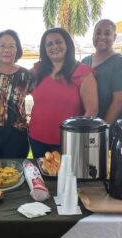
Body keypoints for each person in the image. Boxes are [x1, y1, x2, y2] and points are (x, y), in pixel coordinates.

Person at [29, 27, 98, 158]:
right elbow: (15, 78)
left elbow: (92, 111)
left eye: (58, 42)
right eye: (49, 44)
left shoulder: (84, 73)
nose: (54, 46)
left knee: (67, 178)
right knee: (41, 178)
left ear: (67, 44)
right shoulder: (38, 69)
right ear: (44, 49)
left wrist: (78, 139)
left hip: (68, 142)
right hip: (36, 138)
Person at [0, 29, 31, 159]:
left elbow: (42, 97)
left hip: (16, 135)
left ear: (17, 49)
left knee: (14, 174)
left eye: (11, 46)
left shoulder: (26, 75)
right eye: (2, 45)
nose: (6, 49)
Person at [82, 19, 122, 126]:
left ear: (114, 37)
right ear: (93, 36)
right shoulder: (85, 61)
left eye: (107, 33)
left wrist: (103, 130)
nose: (102, 37)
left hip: (109, 128)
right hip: (85, 124)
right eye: (98, 33)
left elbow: (118, 101)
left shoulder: (118, 62)